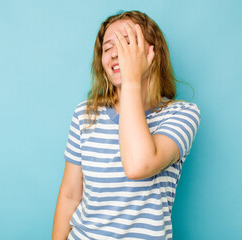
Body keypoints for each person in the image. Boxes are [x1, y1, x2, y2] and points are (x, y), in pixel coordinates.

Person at [52, 10, 201, 240]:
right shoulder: (85, 114)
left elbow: (137, 166)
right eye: (107, 48)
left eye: (126, 43)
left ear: (152, 53)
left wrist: (131, 79)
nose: (114, 53)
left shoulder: (182, 114)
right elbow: (70, 195)